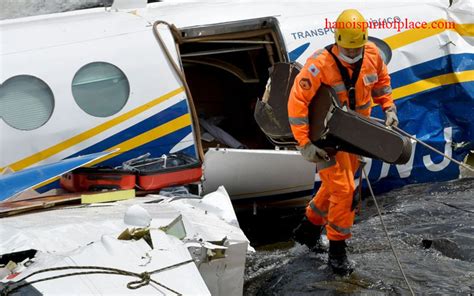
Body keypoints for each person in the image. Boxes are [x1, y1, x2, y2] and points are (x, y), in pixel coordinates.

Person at [287, 9, 398, 276]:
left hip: (355, 137)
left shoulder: (372, 56)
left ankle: (308, 229)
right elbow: (297, 102)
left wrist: (389, 108)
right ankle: (337, 253)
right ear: (337, 40)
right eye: (347, 50)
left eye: (356, 48)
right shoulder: (319, 65)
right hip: (326, 140)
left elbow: (382, 83)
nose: (352, 54)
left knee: (336, 187)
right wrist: (304, 144)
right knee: (344, 191)